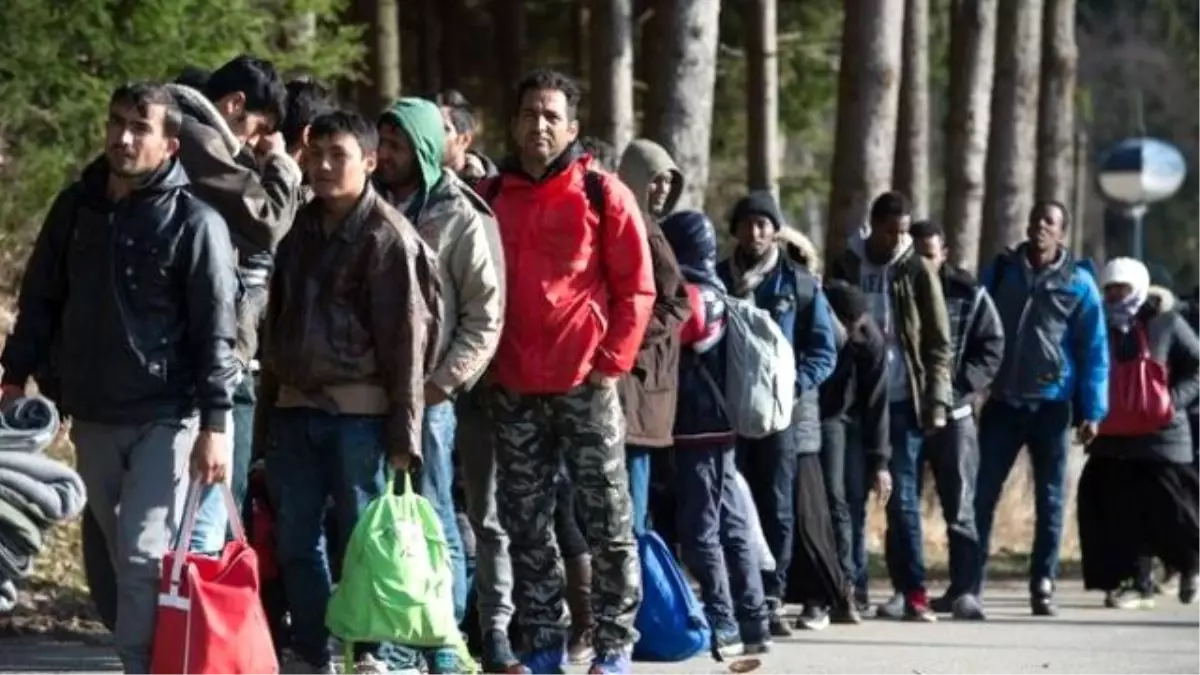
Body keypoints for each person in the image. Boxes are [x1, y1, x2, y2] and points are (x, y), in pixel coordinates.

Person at [0, 82, 239, 674]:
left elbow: (217, 331)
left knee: (142, 555)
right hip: (93, 413)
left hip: (168, 414)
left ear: (171, 146)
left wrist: (216, 422)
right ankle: (158, 657)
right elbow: (39, 301)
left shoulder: (197, 223)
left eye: (140, 127)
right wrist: (13, 378)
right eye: (117, 122)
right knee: (116, 555)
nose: (123, 136)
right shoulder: (75, 209)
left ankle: (141, 666)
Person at [476, 69, 653, 675]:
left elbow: (638, 287)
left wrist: (610, 363)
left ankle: (613, 645)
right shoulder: (492, 195)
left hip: (586, 383)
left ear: (572, 127)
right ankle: (544, 643)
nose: (540, 124)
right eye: (530, 113)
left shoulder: (603, 192)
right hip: (514, 387)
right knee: (525, 523)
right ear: (515, 122)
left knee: (607, 520)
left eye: (552, 115)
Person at [259, 110, 442, 675]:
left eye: (339, 155)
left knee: (365, 542)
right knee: (295, 539)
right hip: (294, 408)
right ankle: (315, 650)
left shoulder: (387, 236)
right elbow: (276, 326)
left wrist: (403, 432)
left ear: (368, 161)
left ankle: (371, 653)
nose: (323, 166)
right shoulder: (296, 230)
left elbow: (407, 344)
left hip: (361, 416)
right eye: (316, 155)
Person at [375, 97, 505, 661]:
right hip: (367, 393)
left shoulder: (459, 215)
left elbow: (484, 315)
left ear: (425, 149)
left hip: (430, 399)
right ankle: (392, 640)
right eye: (381, 143)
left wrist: (442, 385)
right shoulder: (365, 200)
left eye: (397, 145)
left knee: (430, 516)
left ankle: (445, 639)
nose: (385, 155)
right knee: (379, 518)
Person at [166, 54, 303, 550]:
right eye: (254, 130)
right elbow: (265, 222)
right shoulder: (197, 139)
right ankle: (183, 623)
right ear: (235, 104)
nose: (249, 145)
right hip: (196, 343)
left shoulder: (175, 124)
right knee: (204, 504)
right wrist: (281, 163)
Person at [975, 200, 1108, 616]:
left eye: (1049, 222)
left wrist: (1093, 410)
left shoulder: (1079, 283)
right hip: (1002, 402)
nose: (1039, 227)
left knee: (1050, 500)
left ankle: (1042, 583)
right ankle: (968, 581)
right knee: (980, 495)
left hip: (1052, 406)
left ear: (1062, 233)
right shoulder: (1001, 271)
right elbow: (975, 328)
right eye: (1035, 220)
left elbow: (1095, 351)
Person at [717, 191, 838, 636]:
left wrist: (792, 387)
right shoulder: (715, 280)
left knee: (776, 506)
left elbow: (824, 350)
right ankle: (733, 597)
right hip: (726, 417)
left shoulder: (799, 285)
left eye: (764, 224)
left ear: (775, 230)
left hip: (777, 418)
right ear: (736, 230)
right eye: (748, 223)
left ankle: (771, 597)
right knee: (729, 507)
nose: (756, 232)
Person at [827, 191, 953, 622]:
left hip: (901, 399)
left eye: (905, 231)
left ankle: (913, 592)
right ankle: (854, 588)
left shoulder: (915, 269)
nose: (900, 238)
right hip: (851, 401)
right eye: (892, 230)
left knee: (901, 501)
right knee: (851, 498)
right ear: (874, 225)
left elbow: (938, 342)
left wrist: (937, 400)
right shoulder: (846, 263)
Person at [661, 209, 771, 657]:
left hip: (699, 429)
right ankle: (753, 619)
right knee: (732, 523)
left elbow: (667, 337)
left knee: (701, 529)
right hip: (718, 428)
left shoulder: (695, 295)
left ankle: (725, 619)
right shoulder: (716, 288)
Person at [1078, 257, 1200, 610]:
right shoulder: (1097, 324)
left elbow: (1196, 366)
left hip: (1162, 436)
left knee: (1171, 510)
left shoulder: (1167, 323)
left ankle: (1189, 564)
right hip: (1113, 435)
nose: (1116, 295)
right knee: (1118, 509)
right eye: (1110, 289)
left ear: (1140, 288)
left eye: (1123, 288)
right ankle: (1137, 582)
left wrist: (1172, 403)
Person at [908, 220, 1004, 620]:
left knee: (961, 506)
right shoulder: (898, 289)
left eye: (931, 254)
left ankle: (965, 589)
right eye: (917, 255)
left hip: (956, 416)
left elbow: (992, 346)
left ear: (944, 253)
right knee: (903, 507)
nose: (925, 264)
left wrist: (958, 389)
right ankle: (907, 589)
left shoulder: (969, 292)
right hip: (906, 414)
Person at [615, 138, 692, 535]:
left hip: (639, 385)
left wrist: (627, 338)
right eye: (655, 180)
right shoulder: (629, 223)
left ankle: (636, 591)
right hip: (633, 382)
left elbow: (677, 304)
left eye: (667, 182)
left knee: (632, 502)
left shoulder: (649, 231)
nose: (661, 189)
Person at [814, 277, 892, 625]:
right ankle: (830, 587)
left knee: (846, 504)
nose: (855, 331)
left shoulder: (870, 339)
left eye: (859, 325)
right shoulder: (814, 321)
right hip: (811, 413)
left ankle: (851, 585)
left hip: (846, 421)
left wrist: (880, 462)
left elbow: (877, 404)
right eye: (850, 325)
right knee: (826, 502)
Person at [434, 90, 497, 186]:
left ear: (464, 140)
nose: (432, 136)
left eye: (444, 129)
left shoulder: (492, 187)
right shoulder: (410, 184)